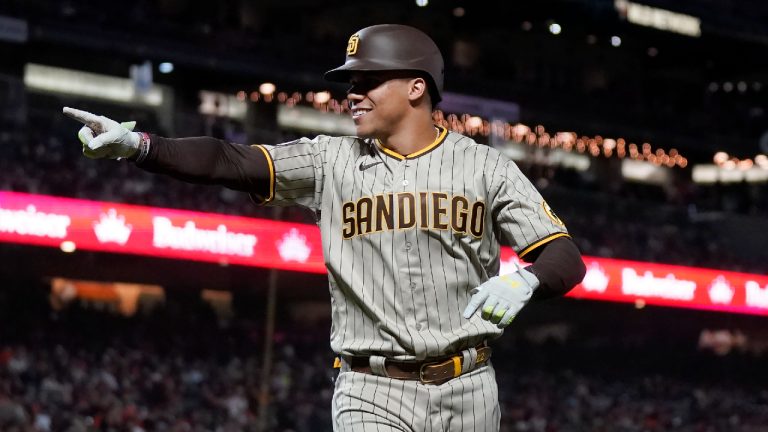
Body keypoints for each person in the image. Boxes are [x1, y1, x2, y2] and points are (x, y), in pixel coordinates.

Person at [64, 24, 586, 432]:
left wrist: (528, 279)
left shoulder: (485, 167)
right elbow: (231, 160)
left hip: (470, 385)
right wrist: (141, 147)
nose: (352, 95)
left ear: (416, 87)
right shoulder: (329, 161)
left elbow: (563, 254)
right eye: (350, 84)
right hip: (369, 388)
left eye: (368, 82)